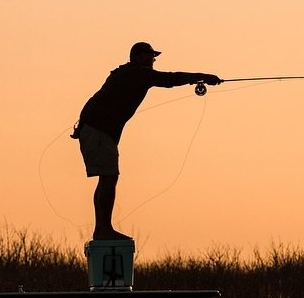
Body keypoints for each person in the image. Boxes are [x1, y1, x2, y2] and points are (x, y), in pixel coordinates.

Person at [75, 42, 220, 241]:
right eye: (150, 56)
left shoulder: (127, 73)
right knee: (108, 177)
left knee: (108, 177)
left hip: (97, 131)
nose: (152, 60)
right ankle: (103, 230)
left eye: (153, 57)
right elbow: (169, 79)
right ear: (138, 57)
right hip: (97, 131)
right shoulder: (137, 73)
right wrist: (201, 77)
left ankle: (102, 228)